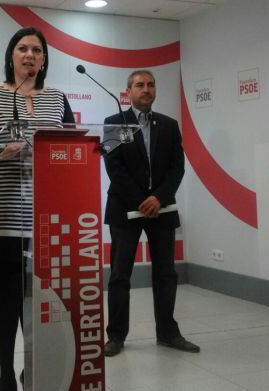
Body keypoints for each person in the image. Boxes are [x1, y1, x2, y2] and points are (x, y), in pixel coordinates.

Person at [0, 27, 74, 391]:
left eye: (36, 51)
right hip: (3, 211)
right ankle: (6, 374)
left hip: (47, 214)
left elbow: (71, 143)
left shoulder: (57, 98)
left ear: (44, 60)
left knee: (41, 297)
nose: (29, 55)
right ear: (11, 56)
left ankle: (35, 366)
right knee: (7, 295)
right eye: (22, 49)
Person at [102, 70, 199, 357]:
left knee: (166, 273)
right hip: (124, 209)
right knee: (120, 275)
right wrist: (141, 200)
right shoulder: (113, 124)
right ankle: (116, 336)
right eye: (139, 85)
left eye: (151, 85)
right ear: (128, 91)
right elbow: (113, 168)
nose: (146, 89)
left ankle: (168, 333)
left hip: (162, 209)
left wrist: (158, 197)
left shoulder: (168, 125)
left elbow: (176, 167)